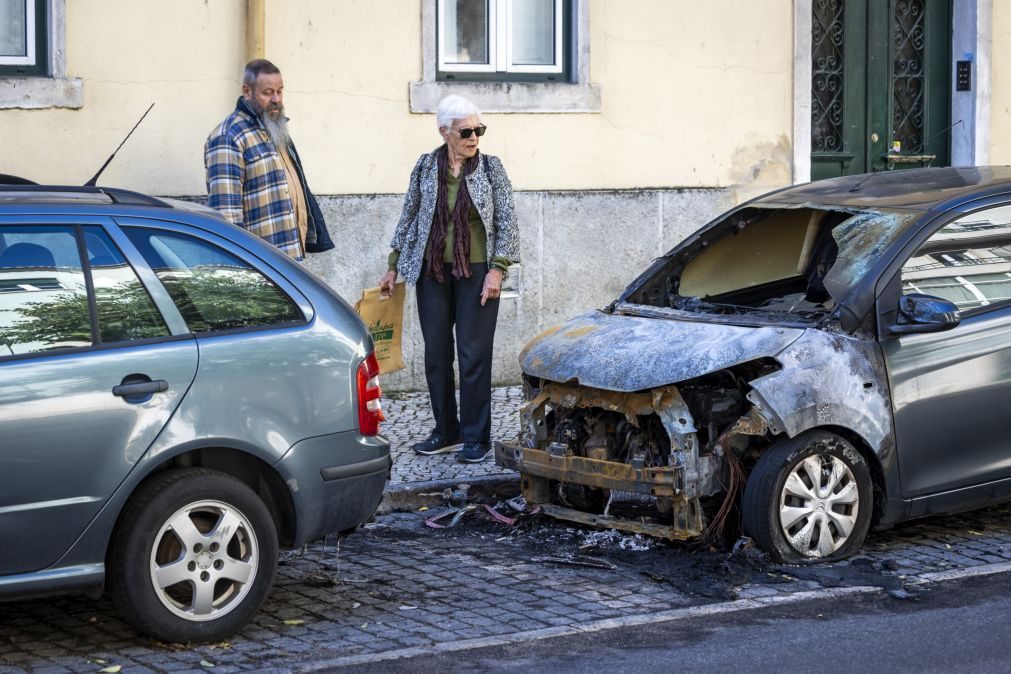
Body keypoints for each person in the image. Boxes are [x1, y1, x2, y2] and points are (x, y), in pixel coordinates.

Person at [379, 95, 519, 463]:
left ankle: (477, 437)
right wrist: (394, 264)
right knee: (436, 355)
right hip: (432, 271)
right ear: (445, 132)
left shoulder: (491, 168)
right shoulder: (426, 167)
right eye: (467, 132)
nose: (475, 138)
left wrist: (497, 269)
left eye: (479, 130)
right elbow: (409, 215)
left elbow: (507, 222)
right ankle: (446, 429)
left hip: (477, 272)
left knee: (473, 355)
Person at [204, 59, 333, 259]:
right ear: (247, 92)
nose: (276, 99)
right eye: (268, 92)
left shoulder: (275, 128)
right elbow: (227, 218)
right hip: (261, 266)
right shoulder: (228, 137)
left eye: (280, 91)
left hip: (288, 259)